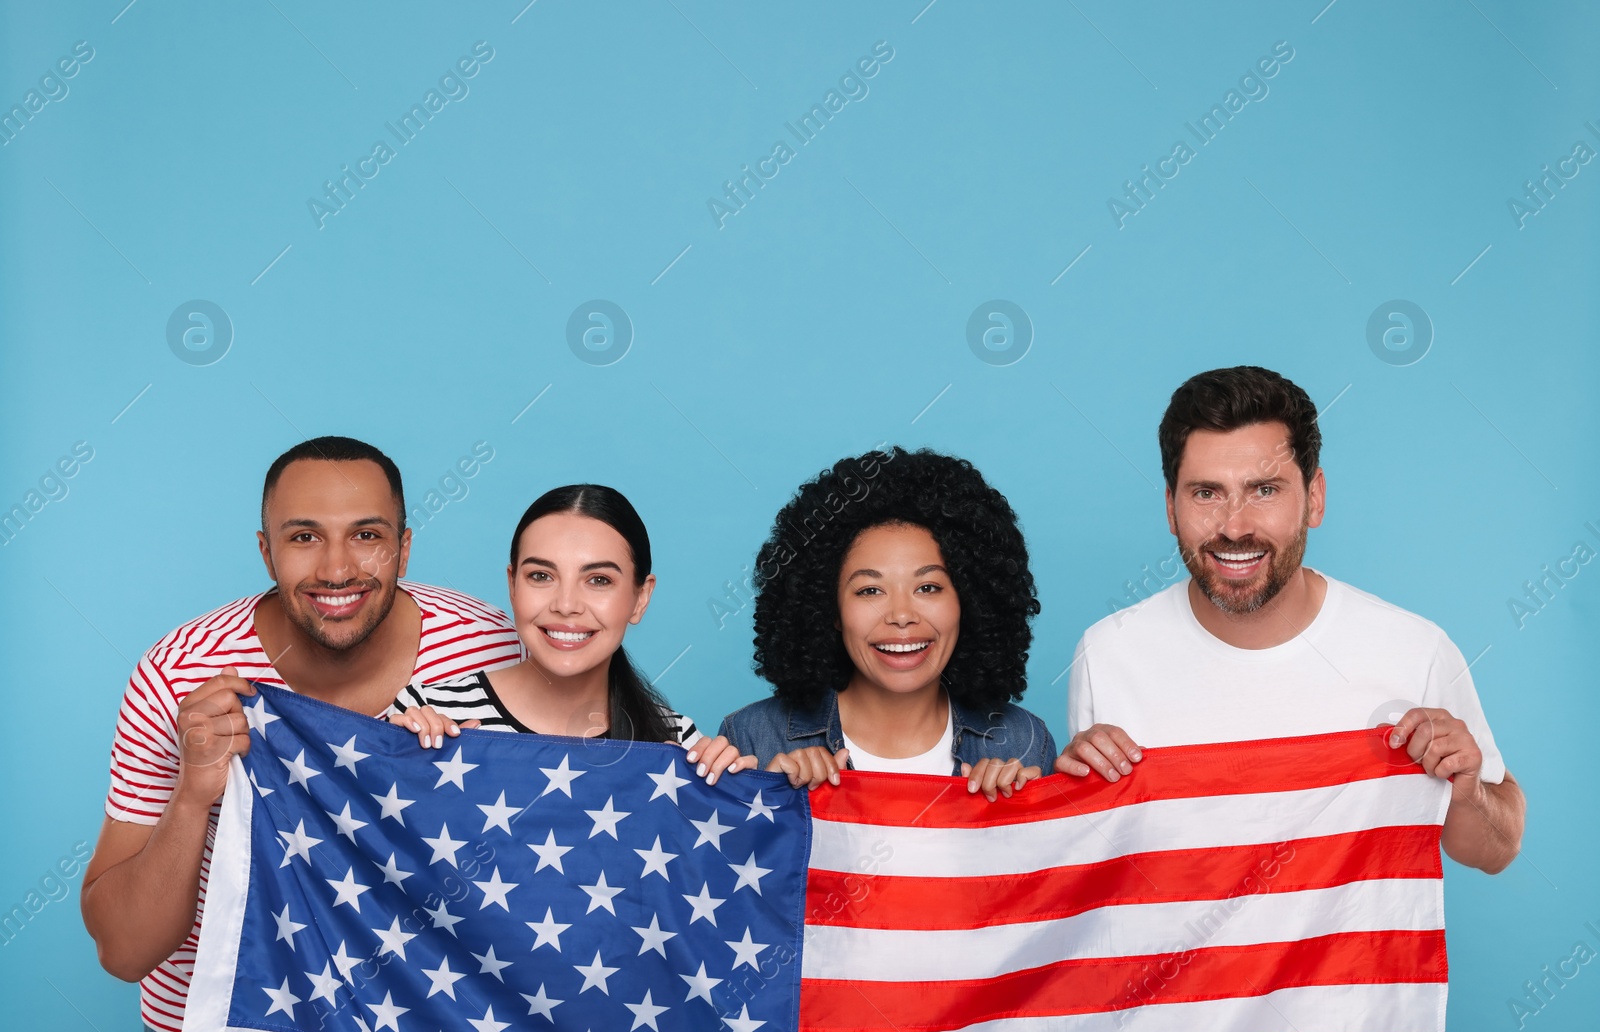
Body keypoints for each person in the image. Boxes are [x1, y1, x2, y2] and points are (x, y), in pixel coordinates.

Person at [80, 437, 523, 1032]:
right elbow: (123, 952)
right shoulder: (183, 673)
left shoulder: (488, 651)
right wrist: (192, 795)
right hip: (226, 1028)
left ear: (403, 545)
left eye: (367, 535)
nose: (337, 569)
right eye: (304, 537)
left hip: (423, 1022)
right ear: (266, 550)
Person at [1054, 366, 1525, 873]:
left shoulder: (1414, 650)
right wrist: (1072, 801)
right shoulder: (1107, 654)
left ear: (1314, 498)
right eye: (1206, 493)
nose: (1234, 527)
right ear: (1171, 507)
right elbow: (1096, 877)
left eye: (1265, 490)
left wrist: (1467, 792)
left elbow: (1496, 851)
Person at [719, 447, 1056, 800]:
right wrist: (770, 808)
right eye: (870, 590)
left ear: (968, 601)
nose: (900, 615)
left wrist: (1019, 816)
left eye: (928, 587)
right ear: (830, 608)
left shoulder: (1026, 742)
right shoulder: (751, 739)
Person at [388, 484, 748, 782]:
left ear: (641, 598)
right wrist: (396, 755)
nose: (566, 604)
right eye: (541, 576)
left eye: (598, 580)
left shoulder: (678, 743)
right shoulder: (428, 712)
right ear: (512, 585)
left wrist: (740, 794)